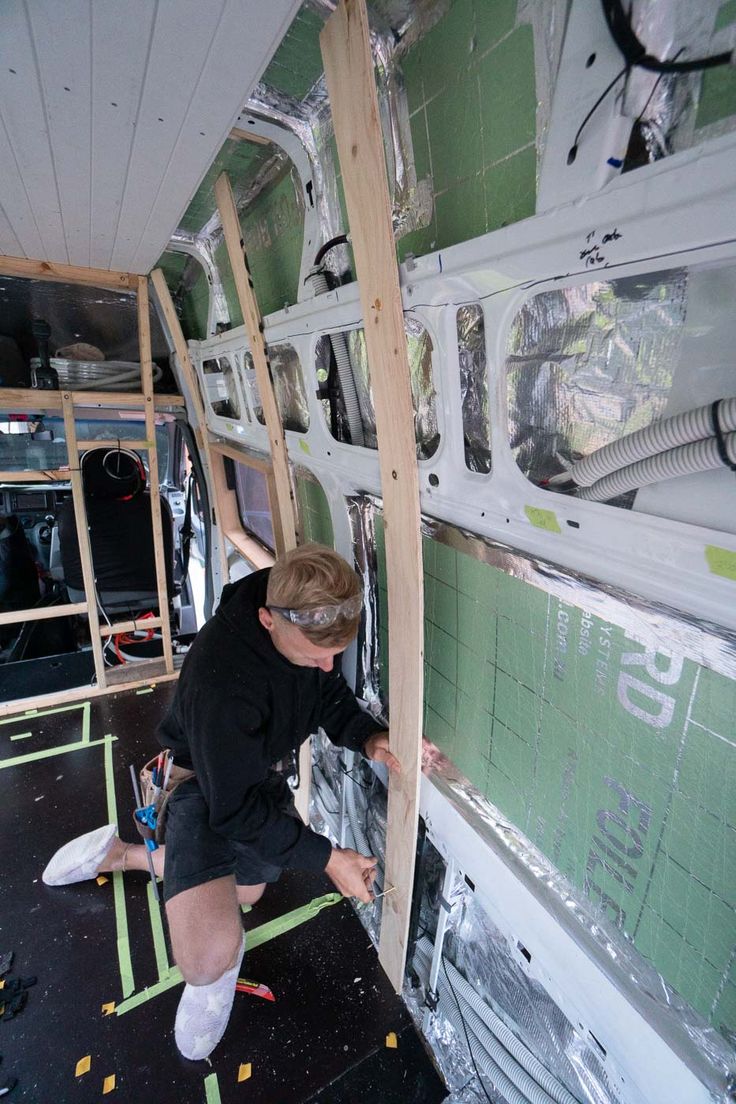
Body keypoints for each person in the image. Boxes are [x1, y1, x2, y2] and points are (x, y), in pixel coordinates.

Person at [42, 544, 399, 1061]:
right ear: (266, 620)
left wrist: (369, 737)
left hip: (251, 780)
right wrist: (328, 858)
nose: (327, 666)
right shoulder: (223, 683)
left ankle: (122, 854)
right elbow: (232, 812)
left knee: (250, 893)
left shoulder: (299, 625)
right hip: (202, 788)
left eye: (334, 654)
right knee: (208, 957)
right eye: (315, 656)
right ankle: (206, 973)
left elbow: (324, 695)